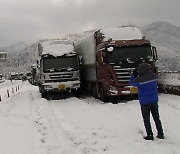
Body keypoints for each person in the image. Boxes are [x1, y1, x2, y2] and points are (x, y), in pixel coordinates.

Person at [129, 63, 164, 140]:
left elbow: (131, 82)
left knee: (146, 120)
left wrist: (134, 74)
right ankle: (161, 134)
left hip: (145, 103)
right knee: (157, 118)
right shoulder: (154, 76)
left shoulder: (139, 80)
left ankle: (150, 135)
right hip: (154, 101)